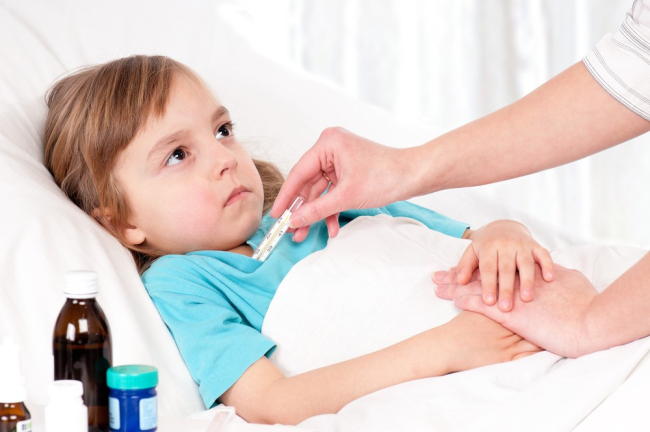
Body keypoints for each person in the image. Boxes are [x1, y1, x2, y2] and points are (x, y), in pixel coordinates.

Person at [42, 55, 548, 425]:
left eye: (222, 130)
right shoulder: (185, 281)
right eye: (177, 155)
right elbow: (270, 402)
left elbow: (469, 236)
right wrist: (444, 349)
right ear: (123, 224)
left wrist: (507, 234)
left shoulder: (322, 201)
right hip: (466, 368)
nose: (225, 158)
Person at [271, 1, 650, 359]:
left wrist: (591, 323)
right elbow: (636, 64)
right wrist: (404, 168)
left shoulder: (371, 217)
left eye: (230, 136)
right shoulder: (229, 282)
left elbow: (480, 233)